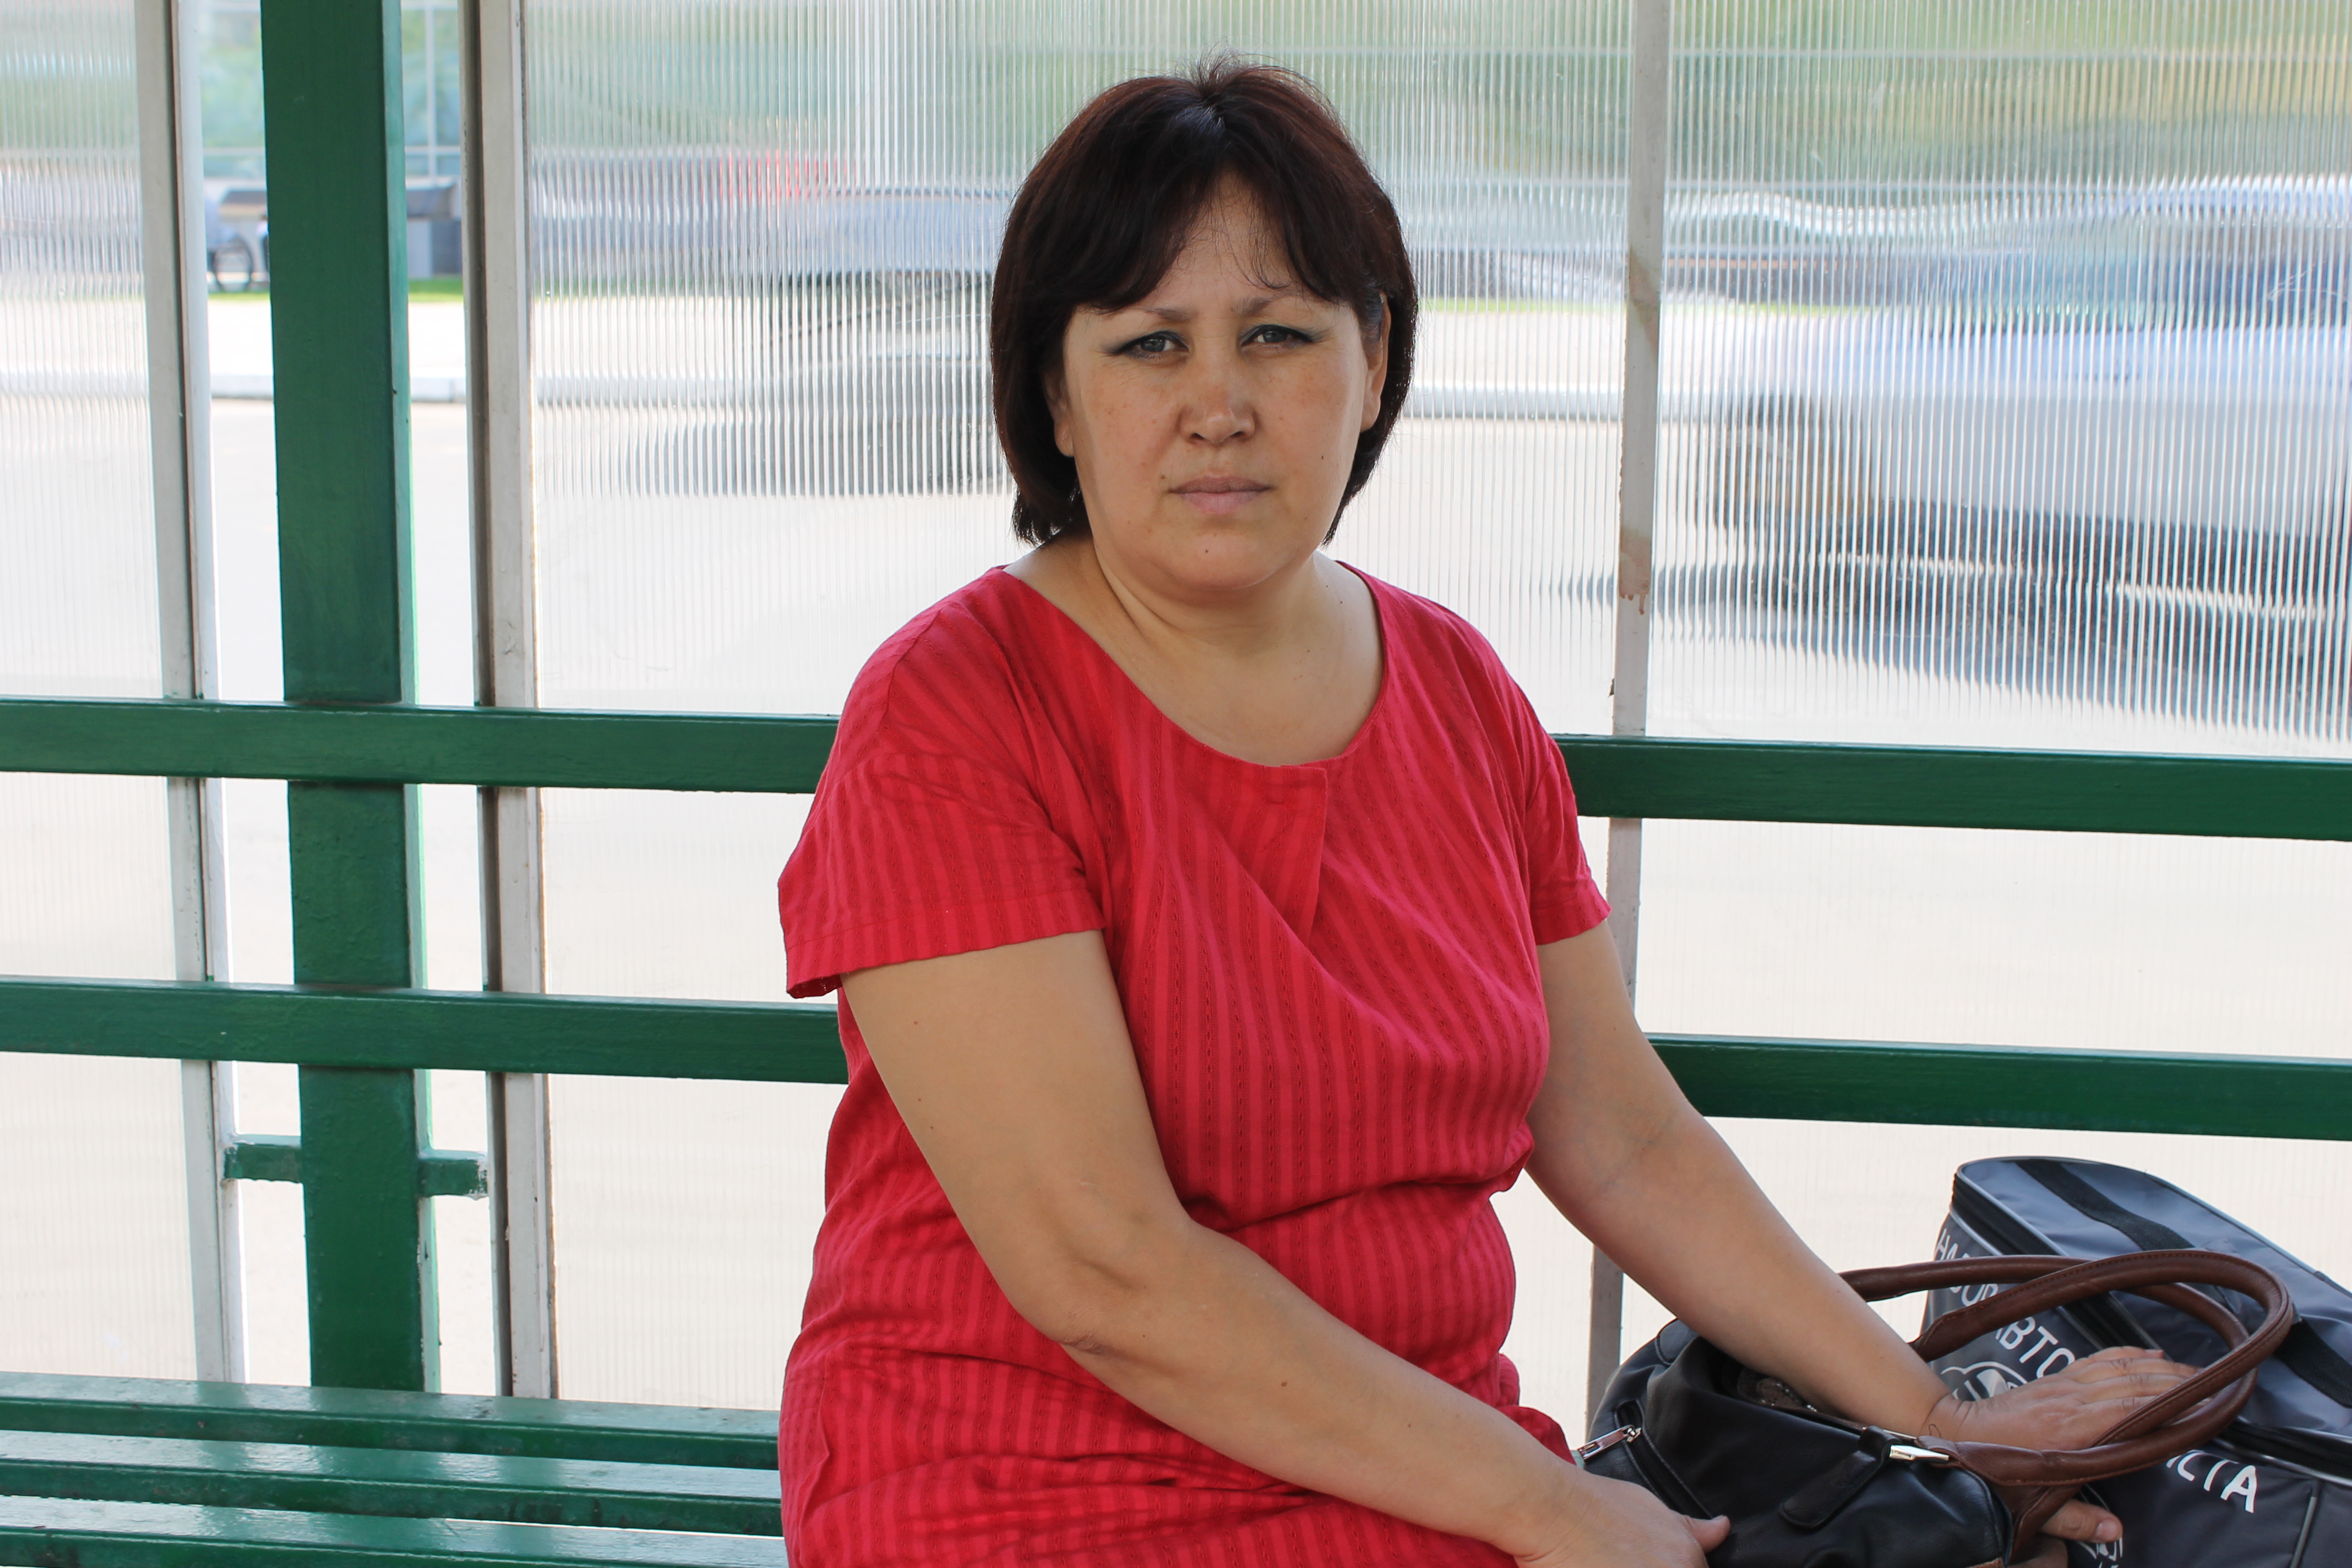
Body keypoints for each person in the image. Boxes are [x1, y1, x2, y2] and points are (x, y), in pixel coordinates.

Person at [775, 59, 2193, 1567]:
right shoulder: (958, 712)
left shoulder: (1453, 687)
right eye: (1149, 343)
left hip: (1417, 1468)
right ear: (1056, 395)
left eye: (1278, 334)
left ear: (1374, 359)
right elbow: (1106, 1273)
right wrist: (1552, 1507)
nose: (1218, 406)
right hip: (1023, 1481)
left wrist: (1940, 1419)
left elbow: (1621, 1138)